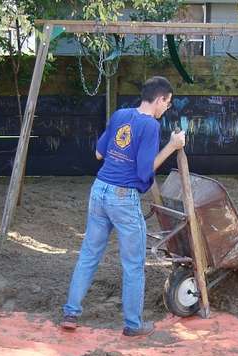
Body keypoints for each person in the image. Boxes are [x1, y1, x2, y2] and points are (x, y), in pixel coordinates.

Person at [61, 76, 186, 337]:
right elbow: (144, 171)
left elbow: (99, 153)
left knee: (88, 254)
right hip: (122, 196)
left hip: (99, 189)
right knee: (133, 264)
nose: (167, 108)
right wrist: (173, 147)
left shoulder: (121, 115)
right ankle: (133, 324)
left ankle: (71, 312)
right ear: (160, 98)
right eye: (168, 103)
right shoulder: (150, 126)